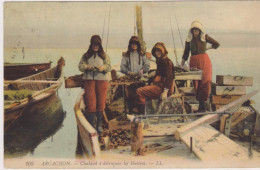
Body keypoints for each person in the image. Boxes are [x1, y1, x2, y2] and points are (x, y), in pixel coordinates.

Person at [181, 20, 220, 112]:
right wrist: (182, 63)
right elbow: (186, 53)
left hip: (204, 61)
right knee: (196, 83)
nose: (195, 32)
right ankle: (200, 107)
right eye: (193, 30)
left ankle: (203, 107)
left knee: (205, 81)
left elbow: (217, 44)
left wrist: (208, 48)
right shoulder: (188, 40)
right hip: (194, 61)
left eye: (197, 30)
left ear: (200, 31)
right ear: (191, 31)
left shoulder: (205, 37)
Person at [78, 35, 111, 133]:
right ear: (91, 45)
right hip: (89, 81)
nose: (95, 46)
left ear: (100, 45)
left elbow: (109, 67)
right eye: (94, 44)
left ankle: (99, 125)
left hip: (102, 81)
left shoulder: (105, 56)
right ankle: (92, 126)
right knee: (91, 102)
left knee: (101, 102)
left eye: (97, 45)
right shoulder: (86, 55)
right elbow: (80, 66)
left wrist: (103, 68)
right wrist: (87, 67)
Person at [136, 42, 175, 114]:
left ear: (163, 51)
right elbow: (157, 74)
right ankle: (149, 111)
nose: (157, 53)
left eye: (159, 51)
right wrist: (150, 81)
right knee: (144, 87)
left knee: (139, 91)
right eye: (156, 51)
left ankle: (144, 113)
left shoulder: (167, 62)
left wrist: (165, 92)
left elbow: (170, 77)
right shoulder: (160, 61)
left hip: (165, 88)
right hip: (159, 86)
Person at [120, 36, 150, 113]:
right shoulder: (126, 55)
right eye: (132, 44)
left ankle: (142, 114)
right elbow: (122, 67)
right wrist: (128, 72)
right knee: (130, 97)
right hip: (130, 80)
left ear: (138, 45)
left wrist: (141, 71)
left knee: (141, 97)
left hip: (140, 80)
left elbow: (147, 66)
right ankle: (131, 114)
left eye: (136, 44)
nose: (134, 45)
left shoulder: (143, 55)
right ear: (130, 45)